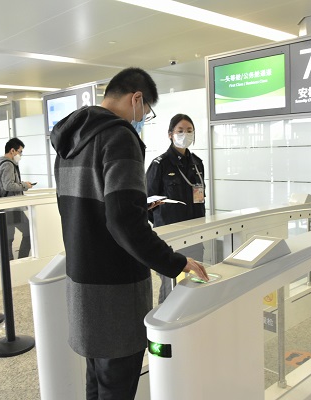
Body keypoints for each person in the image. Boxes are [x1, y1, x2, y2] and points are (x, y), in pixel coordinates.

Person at [50, 67, 208, 400]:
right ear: (136, 99)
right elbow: (124, 221)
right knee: (117, 386)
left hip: (81, 282)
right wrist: (175, 262)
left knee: (97, 381)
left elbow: (83, 210)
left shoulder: (69, 141)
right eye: (146, 111)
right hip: (116, 290)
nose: (143, 118)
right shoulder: (119, 137)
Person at [146, 114, 206, 304]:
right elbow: (148, 203)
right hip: (171, 238)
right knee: (170, 285)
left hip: (196, 234)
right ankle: (165, 318)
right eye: (180, 131)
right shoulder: (160, 164)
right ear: (170, 134)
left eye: (189, 131)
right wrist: (163, 223)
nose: (185, 134)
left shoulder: (197, 163)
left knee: (195, 282)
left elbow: (200, 198)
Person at [0, 138, 33, 260]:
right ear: (12, 150)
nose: (20, 155)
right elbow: (8, 185)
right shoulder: (8, 164)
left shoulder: (0, 163)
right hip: (12, 207)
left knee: (8, 238)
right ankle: (21, 260)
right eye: (20, 151)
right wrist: (25, 185)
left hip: (6, 207)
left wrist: (22, 184)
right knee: (29, 232)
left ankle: (10, 264)